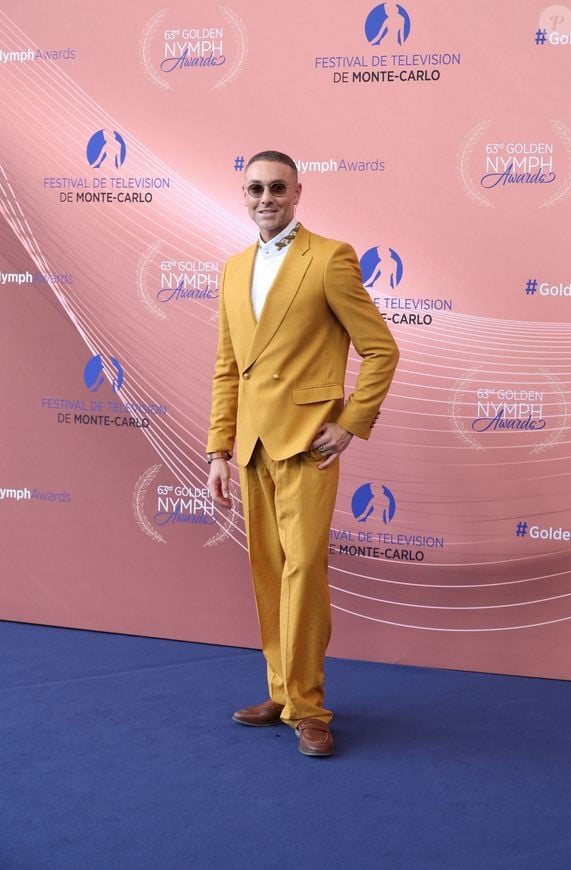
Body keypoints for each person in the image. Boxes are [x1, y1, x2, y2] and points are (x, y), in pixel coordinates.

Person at [206, 150, 399, 757]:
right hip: (251, 447)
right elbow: (228, 369)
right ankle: (281, 692)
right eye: (255, 188)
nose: (266, 198)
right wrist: (217, 448)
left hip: (309, 443)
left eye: (277, 188)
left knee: (304, 570)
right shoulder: (234, 268)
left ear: (297, 193)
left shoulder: (331, 258)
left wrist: (350, 423)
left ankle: (309, 707)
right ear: (244, 194)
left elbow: (381, 350)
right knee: (268, 571)